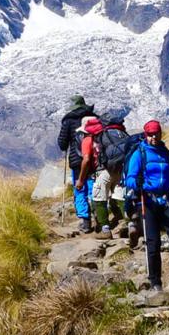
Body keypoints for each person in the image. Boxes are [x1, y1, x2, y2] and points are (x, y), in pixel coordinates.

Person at [122, 120, 169, 292]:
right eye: (150, 134)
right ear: (145, 135)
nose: (153, 137)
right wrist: (137, 183)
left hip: (167, 200)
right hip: (147, 200)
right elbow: (129, 178)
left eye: (156, 133)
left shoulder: (166, 153)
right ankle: (155, 281)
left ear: (160, 133)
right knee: (153, 241)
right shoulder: (139, 153)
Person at [76, 116, 125, 239]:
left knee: (99, 198)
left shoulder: (88, 139)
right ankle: (131, 225)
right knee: (120, 196)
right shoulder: (109, 135)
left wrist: (81, 180)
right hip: (119, 168)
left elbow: (86, 160)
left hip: (103, 171)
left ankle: (105, 229)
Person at [57, 95, 96, 233]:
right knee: (93, 187)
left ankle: (86, 222)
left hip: (77, 160)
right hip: (95, 158)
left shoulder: (68, 121)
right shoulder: (94, 117)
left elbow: (62, 144)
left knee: (80, 188)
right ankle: (99, 215)